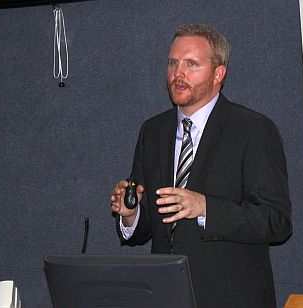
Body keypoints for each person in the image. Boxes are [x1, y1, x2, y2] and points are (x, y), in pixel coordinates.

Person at [110, 24, 292, 308]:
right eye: (173, 63)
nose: (178, 74)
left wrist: (206, 207)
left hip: (232, 300)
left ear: (218, 73)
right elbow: (151, 227)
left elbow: (276, 221)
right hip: (165, 296)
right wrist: (131, 214)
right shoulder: (153, 131)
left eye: (191, 64)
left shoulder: (253, 129)